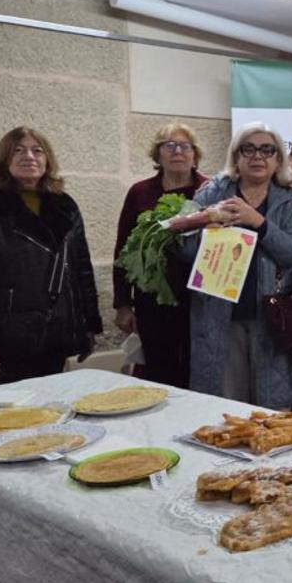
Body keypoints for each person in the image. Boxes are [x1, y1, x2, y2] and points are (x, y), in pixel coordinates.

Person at [0, 127, 102, 383]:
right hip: (9, 335)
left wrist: (87, 325)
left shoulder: (65, 207)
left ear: (47, 160)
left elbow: (81, 269)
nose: (29, 156)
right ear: (3, 160)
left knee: (54, 404)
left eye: (37, 150)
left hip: (59, 329)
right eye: (17, 150)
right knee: (18, 412)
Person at [184, 123, 292, 409]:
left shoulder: (287, 200)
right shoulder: (208, 194)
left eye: (267, 150)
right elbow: (184, 250)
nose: (257, 156)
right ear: (236, 157)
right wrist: (207, 227)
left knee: (271, 410)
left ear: (277, 160)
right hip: (219, 317)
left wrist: (258, 222)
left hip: (270, 317)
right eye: (248, 149)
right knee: (224, 411)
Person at [112, 123, 208, 388]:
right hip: (152, 299)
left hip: (198, 299)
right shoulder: (140, 192)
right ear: (158, 154)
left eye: (185, 146)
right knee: (158, 371)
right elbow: (124, 249)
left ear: (195, 154)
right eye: (169, 145)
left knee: (197, 369)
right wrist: (123, 303)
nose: (178, 151)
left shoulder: (209, 191)